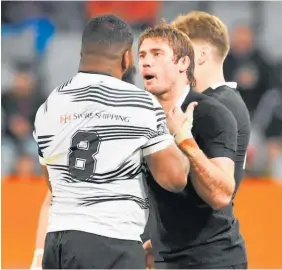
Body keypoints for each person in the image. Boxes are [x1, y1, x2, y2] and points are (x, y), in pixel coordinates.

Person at [31, 15, 190, 269]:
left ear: (81, 52)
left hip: (58, 242)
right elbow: (174, 179)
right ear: (127, 57)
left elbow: (52, 182)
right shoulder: (139, 103)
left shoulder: (49, 106)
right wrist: (181, 134)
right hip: (112, 241)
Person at [138, 23, 239, 269]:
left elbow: (221, 194)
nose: (146, 62)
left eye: (157, 54)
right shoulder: (141, 117)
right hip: (165, 258)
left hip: (212, 260)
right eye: (142, 55)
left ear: (183, 63)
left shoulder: (211, 114)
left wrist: (185, 140)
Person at [167, 11, 251, 268]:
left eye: (178, 51)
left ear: (200, 55)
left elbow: (218, 192)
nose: (171, 61)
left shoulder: (218, 107)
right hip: (197, 250)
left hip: (207, 254)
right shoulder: (220, 102)